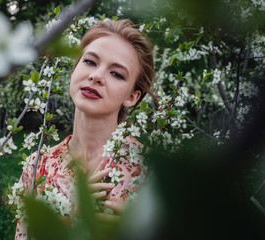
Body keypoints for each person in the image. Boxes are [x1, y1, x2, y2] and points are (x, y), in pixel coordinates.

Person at [15, 19, 158, 239]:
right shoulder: (37, 166)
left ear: (131, 97)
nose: (96, 76)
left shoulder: (150, 171)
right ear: (75, 69)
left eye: (117, 74)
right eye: (90, 62)